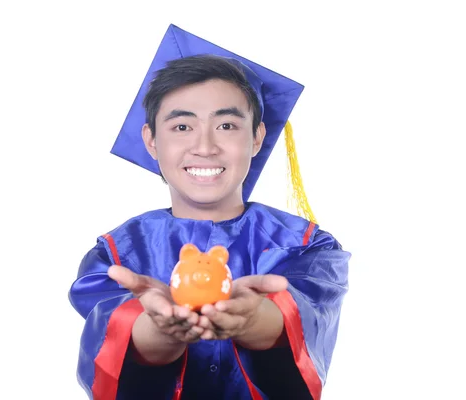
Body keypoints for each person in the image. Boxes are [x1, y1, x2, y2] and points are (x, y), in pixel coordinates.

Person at [69, 24, 350, 400]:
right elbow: (113, 340)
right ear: (151, 140)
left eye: (227, 125)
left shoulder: (305, 246)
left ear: (256, 138)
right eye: (182, 125)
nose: (205, 146)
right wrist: (162, 330)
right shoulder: (117, 254)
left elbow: (305, 324)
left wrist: (252, 319)